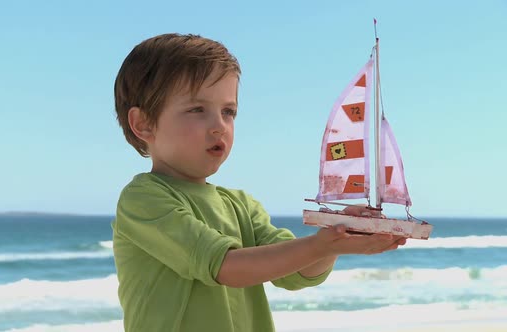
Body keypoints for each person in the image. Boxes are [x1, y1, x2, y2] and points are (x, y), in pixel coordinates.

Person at [112, 33, 406, 332]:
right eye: (197, 110)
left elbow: (297, 273)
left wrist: (334, 242)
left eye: (228, 112)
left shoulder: (241, 205)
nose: (219, 126)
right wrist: (320, 245)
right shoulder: (143, 199)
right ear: (143, 124)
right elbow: (225, 266)